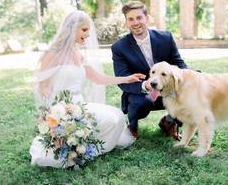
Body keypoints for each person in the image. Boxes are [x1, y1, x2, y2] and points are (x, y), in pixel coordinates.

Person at [29, 10, 145, 168]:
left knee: (117, 117)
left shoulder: (78, 53)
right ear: (72, 29)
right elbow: (43, 87)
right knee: (110, 120)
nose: (88, 35)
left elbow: (98, 78)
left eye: (88, 30)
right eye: (84, 30)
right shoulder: (52, 53)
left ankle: (88, 148)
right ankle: (78, 147)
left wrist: (127, 78)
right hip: (62, 109)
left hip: (80, 106)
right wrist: (56, 112)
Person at [111, 1, 187, 140]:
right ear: (126, 22)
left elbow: (179, 63)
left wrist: (188, 78)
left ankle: (169, 122)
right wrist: (144, 85)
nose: (135, 23)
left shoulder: (166, 38)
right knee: (142, 102)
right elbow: (122, 79)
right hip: (142, 94)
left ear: (147, 18)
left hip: (167, 88)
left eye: (139, 18)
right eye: (131, 19)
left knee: (188, 89)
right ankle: (132, 127)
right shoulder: (119, 47)